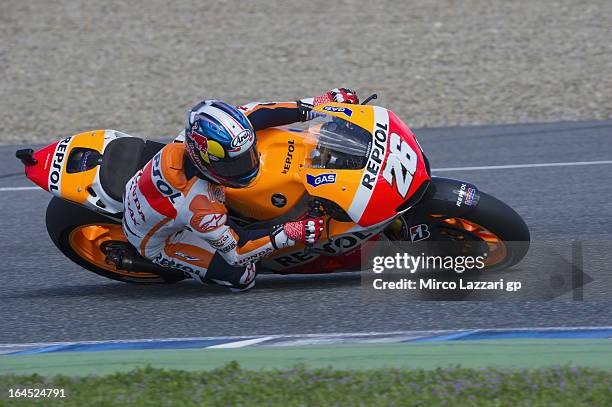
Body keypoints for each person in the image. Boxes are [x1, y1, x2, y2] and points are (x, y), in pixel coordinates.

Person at [120, 88, 359, 291]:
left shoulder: (203, 133)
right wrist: (291, 232)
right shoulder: (198, 205)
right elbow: (238, 251)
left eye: (248, 155)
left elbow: (259, 112)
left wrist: (317, 105)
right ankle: (168, 263)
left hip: (156, 191)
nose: (248, 164)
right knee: (244, 276)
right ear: (204, 159)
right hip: (161, 239)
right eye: (234, 163)